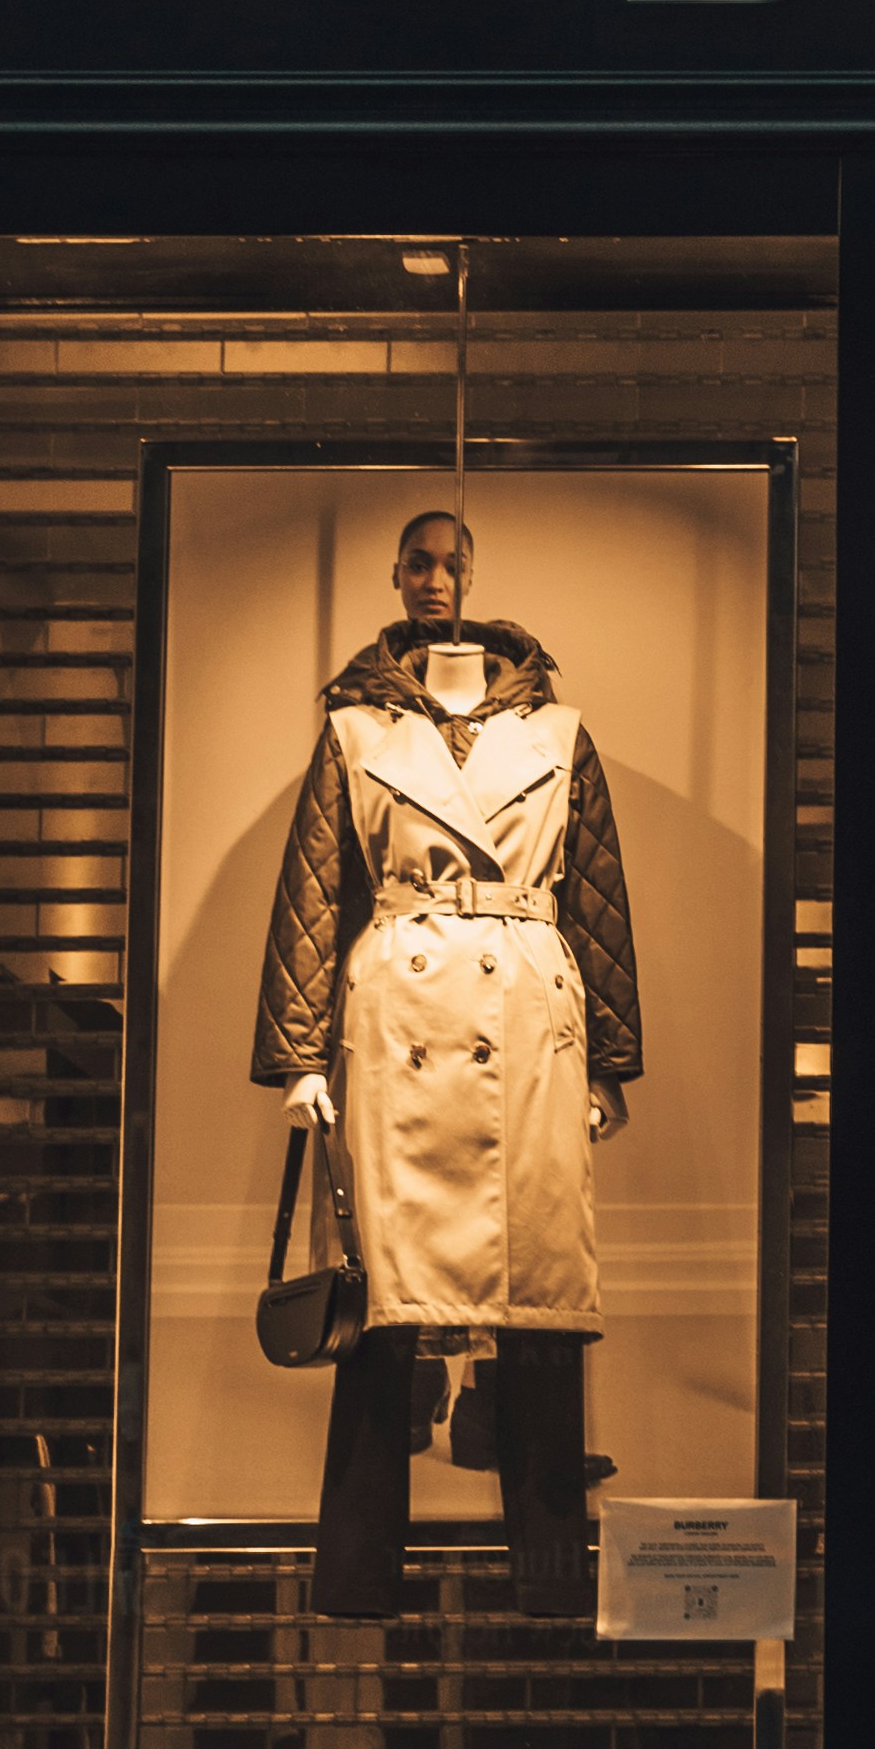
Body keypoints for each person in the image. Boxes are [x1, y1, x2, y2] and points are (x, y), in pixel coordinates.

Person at [254, 501, 642, 1623]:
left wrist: (609, 1059)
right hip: (397, 1015)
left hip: (526, 1011)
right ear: (395, 573)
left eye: (450, 563)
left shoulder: (560, 731)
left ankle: (551, 1579)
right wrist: (298, 1054)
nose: (434, 578)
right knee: (386, 1297)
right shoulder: (353, 732)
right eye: (417, 561)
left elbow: (600, 899)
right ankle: (360, 1573)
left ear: (472, 577)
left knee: (541, 1299)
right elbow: (314, 892)